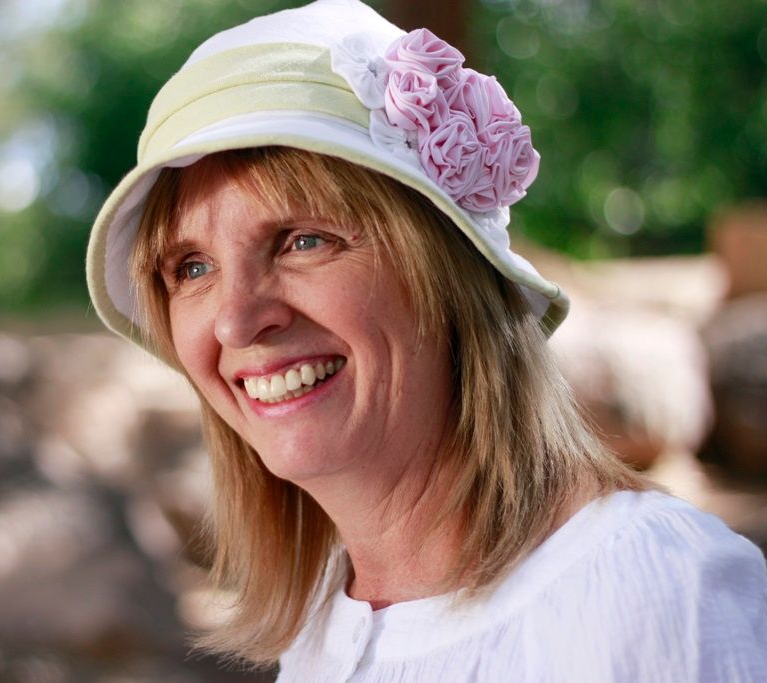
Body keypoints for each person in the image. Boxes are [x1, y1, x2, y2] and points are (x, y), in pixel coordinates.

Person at [86, 1, 767, 680]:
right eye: (192, 267)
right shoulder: (331, 617)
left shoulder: (662, 595)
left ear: (446, 272)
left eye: (305, 240)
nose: (236, 321)